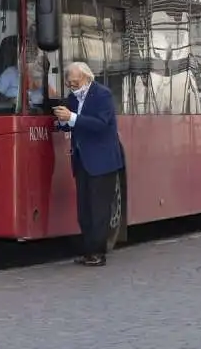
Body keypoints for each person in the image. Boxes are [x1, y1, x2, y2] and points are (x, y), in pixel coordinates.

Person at [53, 61, 124, 267]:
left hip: (102, 161)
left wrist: (72, 118)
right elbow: (69, 124)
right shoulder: (73, 99)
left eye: (75, 83)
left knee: (99, 208)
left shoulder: (102, 95)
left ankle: (98, 253)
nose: (72, 87)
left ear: (86, 77)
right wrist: (62, 121)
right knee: (84, 209)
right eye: (69, 84)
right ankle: (88, 250)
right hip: (82, 159)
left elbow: (101, 124)